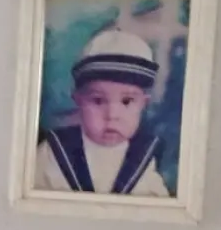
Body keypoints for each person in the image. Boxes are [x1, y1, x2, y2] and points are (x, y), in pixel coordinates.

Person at [35, 27, 169, 196]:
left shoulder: (146, 156)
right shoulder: (53, 152)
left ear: (144, 103)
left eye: (126, 101)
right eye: (98, 100)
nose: (112, 115)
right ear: (78, 100)